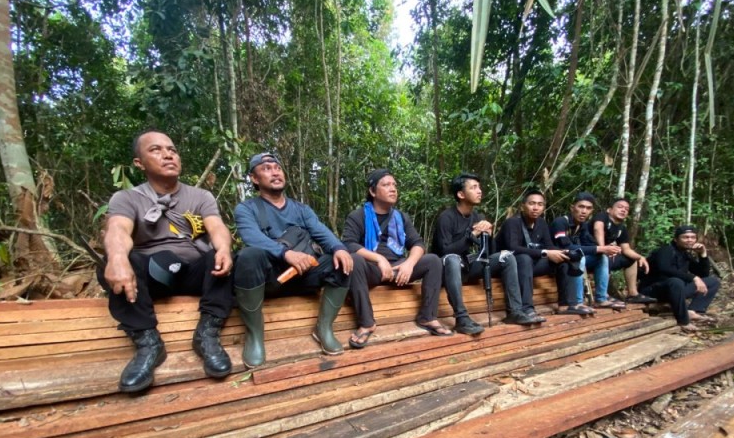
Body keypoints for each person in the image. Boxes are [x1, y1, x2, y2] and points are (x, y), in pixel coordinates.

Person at [99, 130, 234, 393]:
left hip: (194, 272)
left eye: (172, 149)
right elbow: (118, 231)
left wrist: (224, 248)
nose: (168, 154)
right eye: (156, 150)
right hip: (153, 276)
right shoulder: (127, 198)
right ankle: (148, 343)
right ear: (139, 163)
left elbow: (217, 228)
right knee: (114, 259)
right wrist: (116, 258)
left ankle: (207, 333)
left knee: (225, 256)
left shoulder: (200, 196)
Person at [233, 152, 353, 367]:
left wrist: (339, 247)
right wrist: (285, 253)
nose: (275, 172)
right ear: (254, 178)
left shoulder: (301, 209)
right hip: (271, 279)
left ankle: (323, 328)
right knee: (248, 256)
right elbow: (251, 236)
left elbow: (320, 231)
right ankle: (254, 337)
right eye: (267, 168)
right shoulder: (246, 209)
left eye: (277, 167)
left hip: (304, 275)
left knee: (342, 261)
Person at [342, 169, 452, 348]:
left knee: (433, 260)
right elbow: (349, 244)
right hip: (373, 269)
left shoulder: (401, 217)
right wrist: (379, 259)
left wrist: (409, 264)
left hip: (400, 268)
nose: (392, 188)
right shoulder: (358, 216)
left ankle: (428, 317)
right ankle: (366, 323)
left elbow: (417, 244)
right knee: (355, 259)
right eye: (386, 185)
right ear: (372, 191)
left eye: (394, 185)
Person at [433, 173, 545, 332]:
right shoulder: (446, 217)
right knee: (452, 258)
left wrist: (489, 235)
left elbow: (489, 253)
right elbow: (444, 251)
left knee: (506, 256)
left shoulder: (478, 216)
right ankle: (462, 318)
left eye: (479, 187)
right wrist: (471, 236)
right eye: (473, 187)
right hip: (449, 270)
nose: (479, 191)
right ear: (461, 194)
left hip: (469, 266)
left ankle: (515, 311)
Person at [496, 189, 589, 316]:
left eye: (540, 204)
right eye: (532, 203)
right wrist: (545, 253)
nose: (536, 208)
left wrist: (563, 252)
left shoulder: (541, 223)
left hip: (532, 265)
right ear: (523, 206)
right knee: (524, 258)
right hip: (511, 267)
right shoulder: (512, 222)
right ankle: (527, 308)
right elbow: (513, 248)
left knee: (564, 259)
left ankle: (566, 304)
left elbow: (549, 246)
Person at [550, 191, 623, 312]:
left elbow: (590, 244)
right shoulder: (561, 222)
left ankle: (601, 298)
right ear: (572, 207)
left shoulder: (582, 225)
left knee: (602, 257)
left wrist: (609, 249)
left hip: (572, 260)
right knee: (580, 257)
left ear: (591, 211)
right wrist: (600, 248)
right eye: (581, 206)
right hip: (556, 261)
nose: (584, 211)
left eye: (588, 208)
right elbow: (565, 246)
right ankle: (578, 302)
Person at [639, 225, 720, 332]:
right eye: (685, 237)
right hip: (652, 290)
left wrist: (703, 255)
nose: (690, 240)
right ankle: (683, 321)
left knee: (712, 281)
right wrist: (693, 277)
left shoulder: (685, 254)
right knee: (676, 281)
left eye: (692, 237)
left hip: (677, 290)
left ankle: (693, 311)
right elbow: (664, 268)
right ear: (676, 239)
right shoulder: (665, 250)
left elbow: (703, 274)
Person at [589, 197, 657, 304]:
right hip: (591, 255)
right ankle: (603, 295)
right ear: (609, 210)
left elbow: (626, 249)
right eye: (620, 207)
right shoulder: (602, 217)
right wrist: (603, 248)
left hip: (605, 257)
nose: (623, 210)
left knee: (630, 259)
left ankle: (633, 294)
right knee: (604, 258)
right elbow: (598, 228)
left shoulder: (622, 228)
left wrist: (640, 257)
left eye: (626, 209)